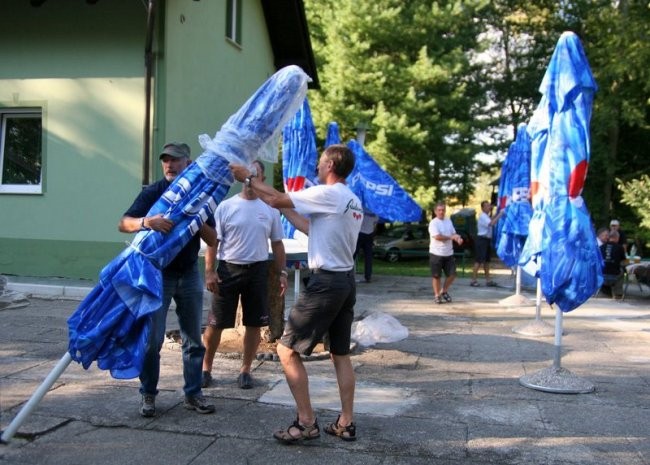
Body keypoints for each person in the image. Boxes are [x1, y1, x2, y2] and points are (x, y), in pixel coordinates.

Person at [230, 144, 363, 444]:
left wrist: (248, 179)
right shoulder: (352, 200)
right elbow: (309, 227)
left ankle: (306, 423)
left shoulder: (329, 193)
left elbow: (277, 197)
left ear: (330, 165)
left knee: (286, 350)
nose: (316, 166)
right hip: (345, 281)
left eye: (319, 162)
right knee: (340, 354)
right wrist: (280, 206)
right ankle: (346, 423)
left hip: (326, 284)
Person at [118, 142, 217, 417]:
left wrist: (197, 219)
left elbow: (212, 239)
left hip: (189, 273)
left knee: (194, 340)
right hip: (157, 275)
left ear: (188, 163)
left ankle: (193, 394)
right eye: (165, 160)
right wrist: (146, 222)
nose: (169, 165)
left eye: (175, 160)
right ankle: (148, 395)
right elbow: (123, 222)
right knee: (152, 341)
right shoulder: (154, 192)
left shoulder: (200, 196)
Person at [201, 160, 288, 390]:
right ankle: (205, 369)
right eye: (247, 174)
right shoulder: (226, 207)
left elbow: (278, 244)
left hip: (257, 271)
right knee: (215, 324)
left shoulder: (269, 209)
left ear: (263, 180)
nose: (250, 178)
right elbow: (212, 242)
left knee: (254, 324)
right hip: (228, 271)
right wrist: (209, 271)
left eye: (255, 174)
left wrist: (282, 273)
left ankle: (246, 371)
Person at [429, 202, 463, 304]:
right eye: (439, 210)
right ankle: (437, 295)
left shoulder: (448, 221)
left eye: (443, 210)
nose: (441, 212)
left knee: (452, 274)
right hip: (436, 253)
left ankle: (444, 291)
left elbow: (453, 233)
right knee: (436, 276)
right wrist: (450, 237)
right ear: (435, 212)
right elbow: (437, 237)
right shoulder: (433, 223)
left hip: (449, 253)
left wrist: (458, 238)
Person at [470, 201, 502, 287]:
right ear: (483, 208)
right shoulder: (483, 216)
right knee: (479, 260)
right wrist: (500, 214)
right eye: (487, 206)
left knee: (487, 261)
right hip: (482, 240)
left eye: (489, 206)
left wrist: (497, 214)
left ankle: (488, 280)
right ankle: (473, 280)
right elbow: (491, 223)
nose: (489, 207)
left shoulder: (486, 216)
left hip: (487, 240)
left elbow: (491, 220)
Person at [599, 230, 626, 298]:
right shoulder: (620, 247)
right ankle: (618, 293)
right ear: (617, 238)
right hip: (614, 276)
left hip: (602, 276)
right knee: (622, 271)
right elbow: (623, 262)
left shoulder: (601, 247)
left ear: (609, 237)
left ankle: (605, 290)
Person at [354, 209, 378, 283]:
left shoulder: (360, 209)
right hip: (369, 235)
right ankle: (368, 276)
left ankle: (347, 273)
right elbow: (374, 226)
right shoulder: (375, 213)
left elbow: (355, 220)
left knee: (353, 255)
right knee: (368, 257)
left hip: (360, 234)